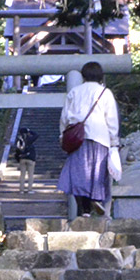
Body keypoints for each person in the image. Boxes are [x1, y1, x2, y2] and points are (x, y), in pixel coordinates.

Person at [57, 62, 120, 217]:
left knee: (78, 174)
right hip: (100, 138)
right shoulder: (105, 93)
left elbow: (65, 117)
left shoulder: (74, 92)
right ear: (101, 76)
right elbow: (111, 119)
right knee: (97, 173)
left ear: (83, 76)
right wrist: (114, 141)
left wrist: (63, 135)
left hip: (78, 138)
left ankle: (84, 209)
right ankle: (96, 200)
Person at [14, 127, 39, 193]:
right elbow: (36, 135)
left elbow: (16, 150)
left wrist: (18, 158)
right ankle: (29, 189)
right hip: (30, 158)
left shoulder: (19, 140)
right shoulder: (29, 139)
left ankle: (21, 190)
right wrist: (29, 131)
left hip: (22, 158)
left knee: (22, 175)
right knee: (30, 175)